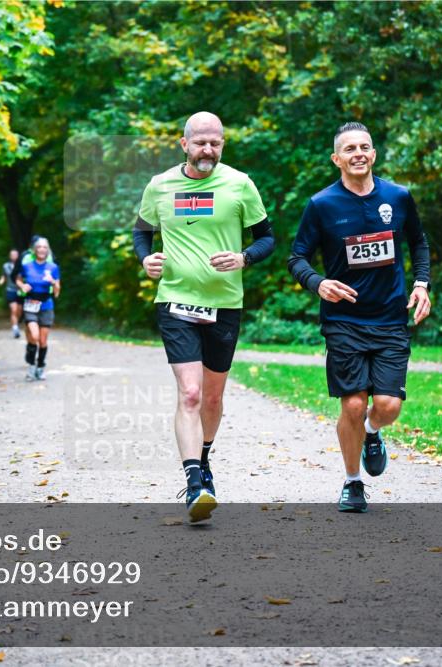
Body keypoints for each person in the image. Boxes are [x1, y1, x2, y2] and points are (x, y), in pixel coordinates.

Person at [132, 111, 275, 523]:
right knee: (191, 393)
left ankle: (205, 457)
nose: (207, 150)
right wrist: (146, 259)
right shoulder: (160, 186)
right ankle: (194, 483)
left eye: (215, 143)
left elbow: (267, 238)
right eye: (200, 143)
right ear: (184, 144)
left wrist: (243, 257)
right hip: (175, 301)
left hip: (225, 304)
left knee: (212, 396)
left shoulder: (239, 184)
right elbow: (142, 232)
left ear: (222, 144)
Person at [288, 121, 432, 513]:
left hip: (389, 319)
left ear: (373, 154)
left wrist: (422, 283)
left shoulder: (398, 197)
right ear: (337, 158)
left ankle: (372, 433)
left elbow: (418, 242)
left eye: (364, 147)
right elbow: (296, 257)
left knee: (387, 407)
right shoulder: (321, 205)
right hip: (343, 321)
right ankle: (353, 483)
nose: (358, 154)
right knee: (351, 405)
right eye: (349, 149)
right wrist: (318, 283)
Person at [15, 237, 60, 381]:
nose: (42, 249)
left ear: (48, 250)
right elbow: (18, 279)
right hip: (30, 305)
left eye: (45, 247)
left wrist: (52, 282)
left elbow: (57, 292)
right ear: (35, 250)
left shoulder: (53, 268)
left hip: (46, 305)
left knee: (43, 341)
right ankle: (31, 366)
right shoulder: (27, 266)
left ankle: (40, 367)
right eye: (39, 247)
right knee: (33, 336)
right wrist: (22, 286)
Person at [0, 249, 22, 338]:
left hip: (20, 290)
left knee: (19, 311)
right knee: (13, 309)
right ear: (9, 256)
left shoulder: (22, 265)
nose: (13, 256)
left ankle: (17, 322)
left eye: (15, 254)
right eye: (12, 254)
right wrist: (1, 280)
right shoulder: (6, 266)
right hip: (10, 289)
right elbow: (3, 276)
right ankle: (15, 328)